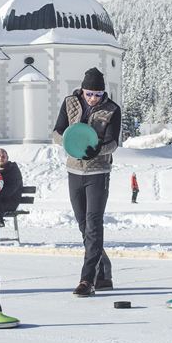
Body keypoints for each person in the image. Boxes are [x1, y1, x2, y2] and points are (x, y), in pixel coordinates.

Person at [53, 67, 121, 297]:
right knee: (83, 225)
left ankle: (87, 280)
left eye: (97, 94)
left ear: (103, 94)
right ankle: (104, 270)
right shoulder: (70, 103)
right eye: (89, 93)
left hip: (98, 172)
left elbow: (113, 143)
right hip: (74, 170)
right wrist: (68, 142)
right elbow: (56, 132)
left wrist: (98, 150)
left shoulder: (112, 110)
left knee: (93, 224)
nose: (93, 98)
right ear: (82, 90)